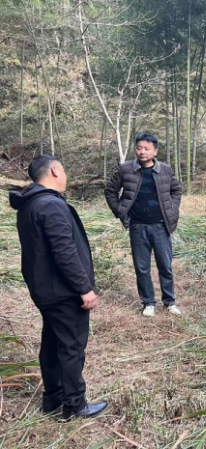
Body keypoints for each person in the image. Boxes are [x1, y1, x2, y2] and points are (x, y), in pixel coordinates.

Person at [9, 155, 108, 420]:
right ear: (54, 171)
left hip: (45, 289)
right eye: (63, 171)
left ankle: (53, 398)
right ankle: (75, 404)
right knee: (71, 346)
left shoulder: (30, 204)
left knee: (52, 344)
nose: (65, 176)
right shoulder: (50, 205)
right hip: (63, 291)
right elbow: (65, 252)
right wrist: (84, 288)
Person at [105, 133, 183, 317]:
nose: (142, 152)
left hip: (160, 226)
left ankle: (169, 302)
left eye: (147, 148)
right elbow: (110, 190)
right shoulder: (125, 169)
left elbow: (176, 189)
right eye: (139, 148)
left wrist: (172, 210)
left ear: (155, 151)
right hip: (137, 226)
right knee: (142, 267)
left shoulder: (165, 170)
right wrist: (120, 211)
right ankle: (148, 302)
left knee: (165, 265)